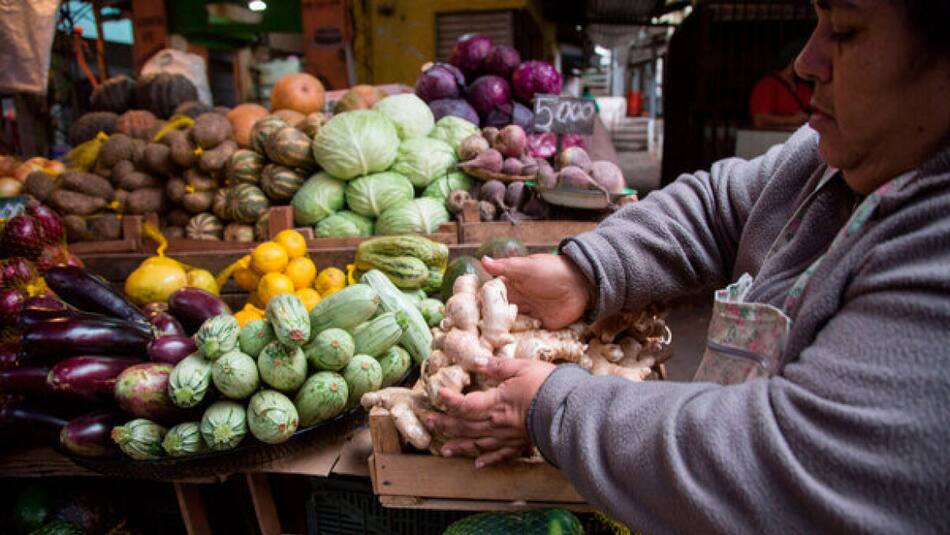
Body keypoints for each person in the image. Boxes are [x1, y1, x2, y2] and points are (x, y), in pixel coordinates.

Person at [426, 0, 950, 532]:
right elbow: (718, 207)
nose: (806, 61)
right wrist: (586, 272)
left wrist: (555, 408)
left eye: (845, 29)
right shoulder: (835, 155)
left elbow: (791, 468)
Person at [748, 39, 813, 130]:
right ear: (794, 60)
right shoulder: (768, 85)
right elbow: (759, 120)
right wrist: (791, 120)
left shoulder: (804, 88)